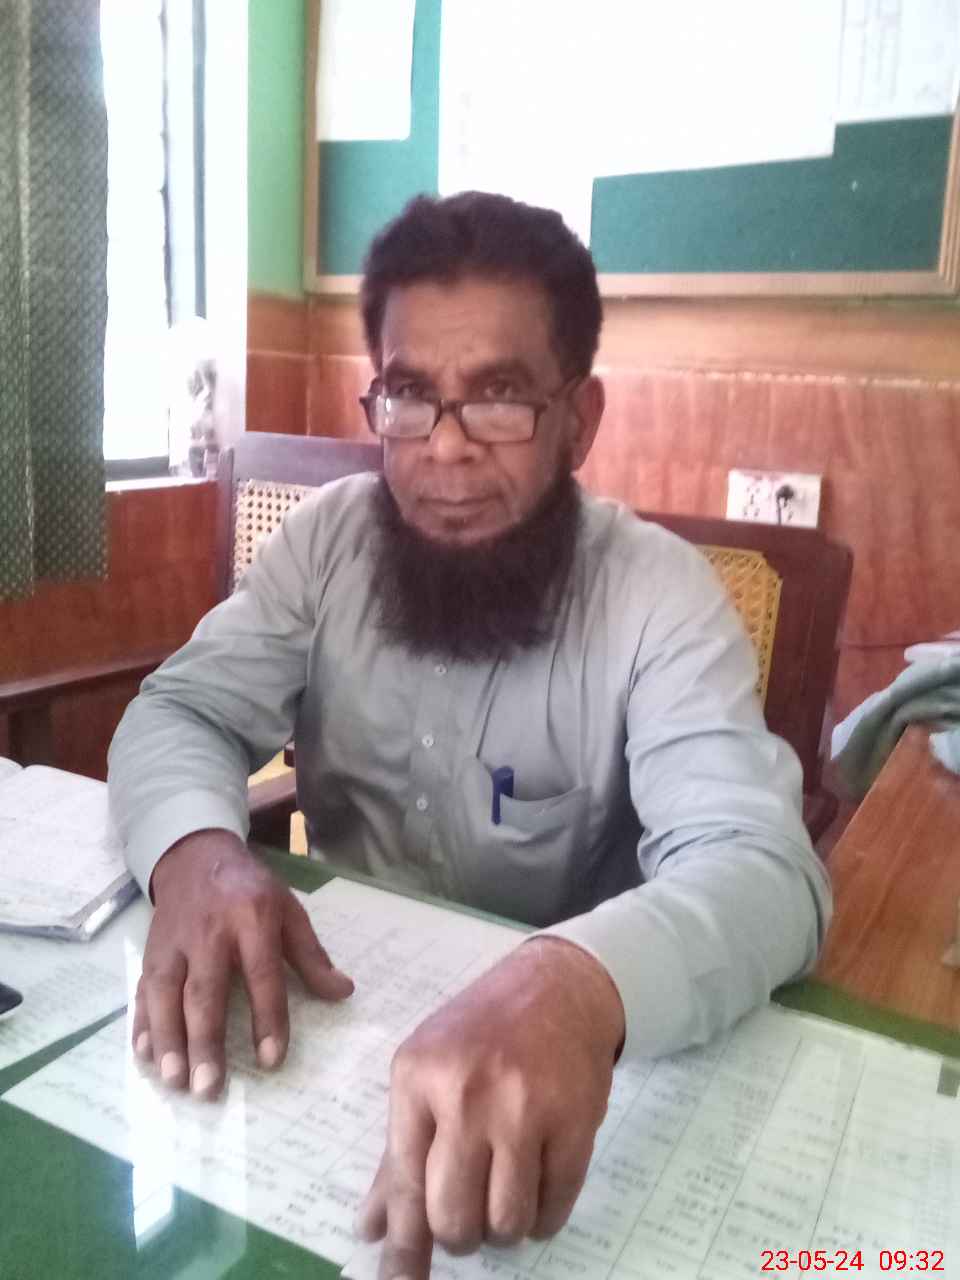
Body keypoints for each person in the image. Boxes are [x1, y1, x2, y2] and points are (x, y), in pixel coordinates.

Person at [108, 191, 831, 1279]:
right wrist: (197, 855)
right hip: (324, 1043)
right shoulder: (325, 544)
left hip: (566, 1070)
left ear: (579, 419)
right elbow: (182, 709)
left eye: (498, 399)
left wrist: (581, 983)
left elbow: (765, 866)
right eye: (409, 396)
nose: (444, 451)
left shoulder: (659, 595)